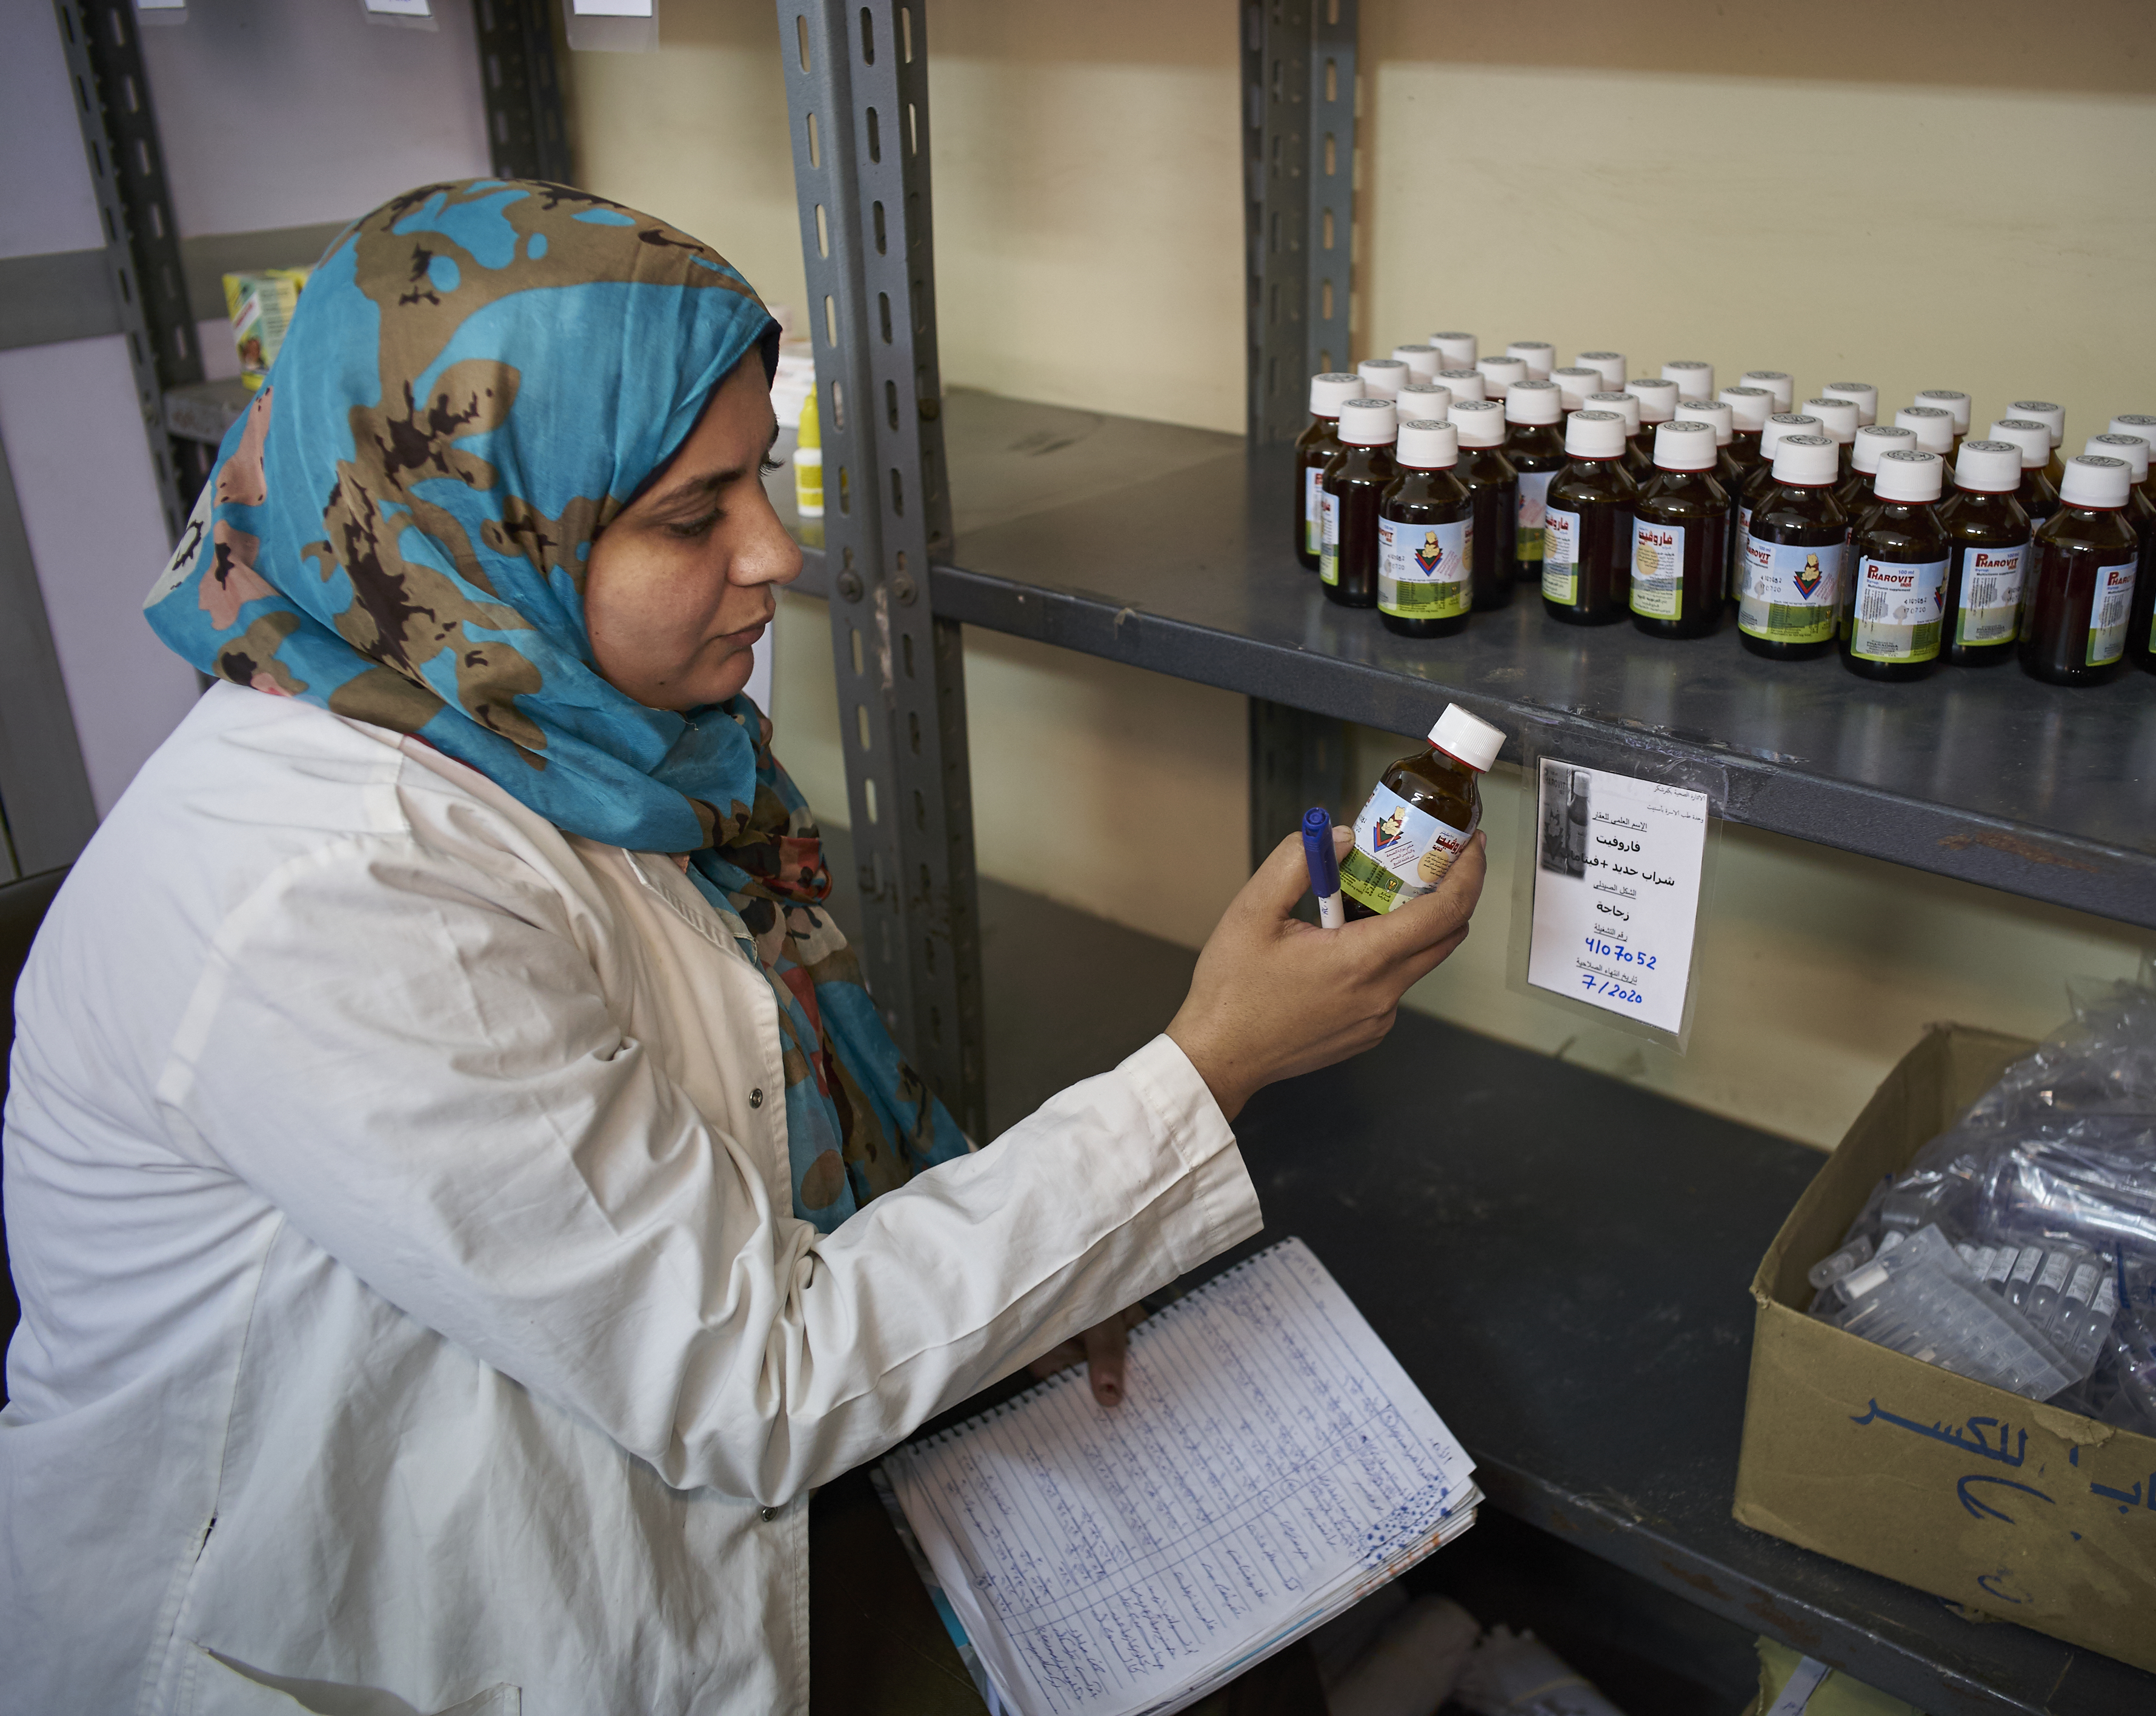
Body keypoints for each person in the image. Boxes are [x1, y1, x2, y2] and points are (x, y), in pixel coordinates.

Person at [0, 182, 1486, 1713]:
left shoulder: (553, 737)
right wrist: (1216, 1058)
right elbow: (748, 1383)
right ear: (477, 535)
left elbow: (719, 1137)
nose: (776, 553)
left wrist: (1033, 1282)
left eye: (757, 480)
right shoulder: (336, 894)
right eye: (690, 517)